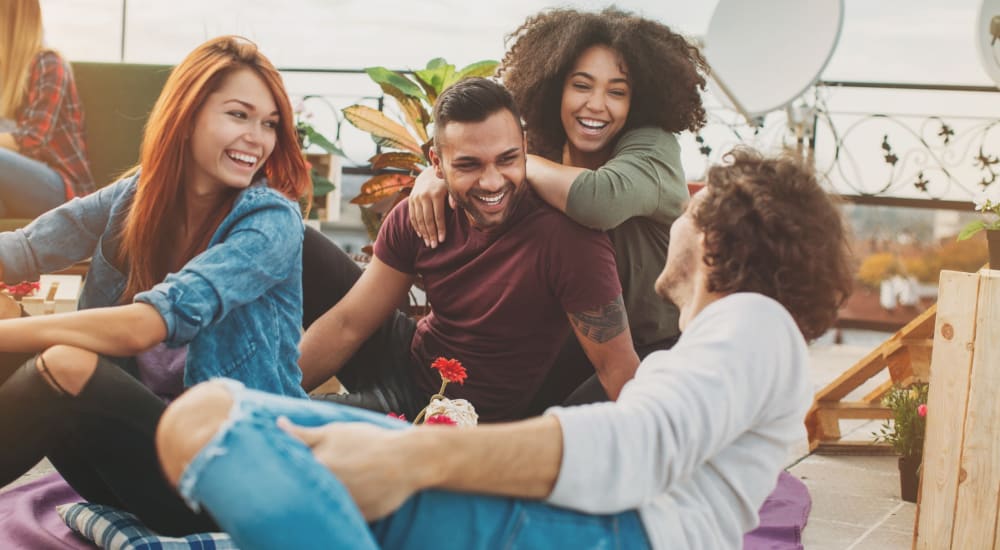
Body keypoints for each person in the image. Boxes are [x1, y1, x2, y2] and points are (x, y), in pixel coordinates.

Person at [157, 147, 853, 549]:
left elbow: (641, 442)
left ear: (717, 235)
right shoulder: (720, 346)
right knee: (209, 414)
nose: (679, 212)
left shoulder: (755, 321)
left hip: (605, 533)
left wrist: (413, 456)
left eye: (694, 204)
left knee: (211, 430)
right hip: (578, 518)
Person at [0, 35, 309, 535]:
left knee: (61, 360)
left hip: (233, 479)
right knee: (23, 356)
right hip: (135, 464)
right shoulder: (139, 195)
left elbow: (147, 326)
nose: (258, 138)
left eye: (270, 123)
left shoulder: (271, 221)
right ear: (186, 116)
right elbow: (25, 250)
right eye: (238, 115)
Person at [407, 7, 708, 409]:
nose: (597, 104)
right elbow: (476, 162)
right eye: (581, 86)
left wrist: (494, 165)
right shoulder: (545, 145)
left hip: (657, 348)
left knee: (561, 435)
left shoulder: (653, 148)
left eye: (617, 91)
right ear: (555, 87)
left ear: (637, 100)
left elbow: (596, 200)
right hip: (570, 343)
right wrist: (436, 174)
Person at [296, 77, 637, 423]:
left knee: (299, 426)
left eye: (507, 159)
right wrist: (272, 393)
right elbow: (348, 323)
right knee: (295, 240)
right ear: (437, 164)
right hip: (408, 357)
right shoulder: (423, 213)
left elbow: (617, 370)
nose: (492, 182)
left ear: (525, 148)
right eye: (468, 165)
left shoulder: (568, 240)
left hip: (460, 418)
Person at [0, 0, 95, 217]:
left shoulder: (50, 63)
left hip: (63, 188)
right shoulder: (4, 75)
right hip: (17, 187)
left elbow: (33, 139)